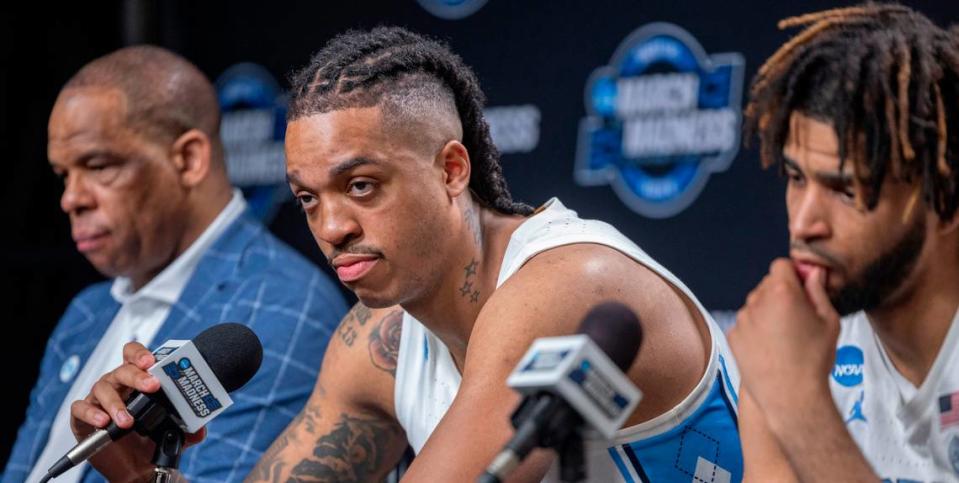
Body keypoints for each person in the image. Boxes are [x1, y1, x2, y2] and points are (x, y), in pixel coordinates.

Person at [73, 28, 743, 482]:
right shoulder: (376, 341)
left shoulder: (567, 281)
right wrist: (150, 471)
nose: (330, 226)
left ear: (452, 169)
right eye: (307, 198)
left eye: (360, 186)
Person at [3, 46, 347, 483]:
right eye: (64, 175)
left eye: (97, 165)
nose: (71, 198)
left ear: (188, 159)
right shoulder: (86, 311)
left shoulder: (281, 307)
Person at [729, 4, 959, 481]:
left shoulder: (789, 373)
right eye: (795, 177)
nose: (805, 223)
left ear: (946, 199)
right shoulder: (787, 340)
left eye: (846, 190)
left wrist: (800, 407)